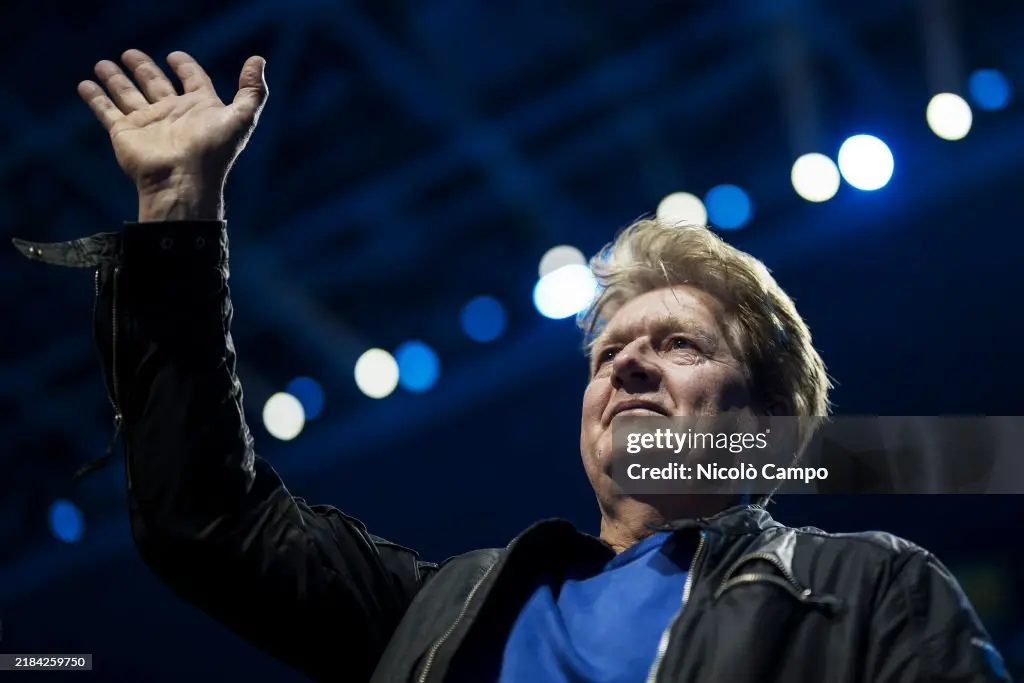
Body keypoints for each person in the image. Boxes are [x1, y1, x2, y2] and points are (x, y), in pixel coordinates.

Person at [16, 50, 1011, 683]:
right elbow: (203, 519)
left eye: (677, 343)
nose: (626, 367)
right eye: (608, 354)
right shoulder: (438, 611)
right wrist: (177, 215)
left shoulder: (868, 587)